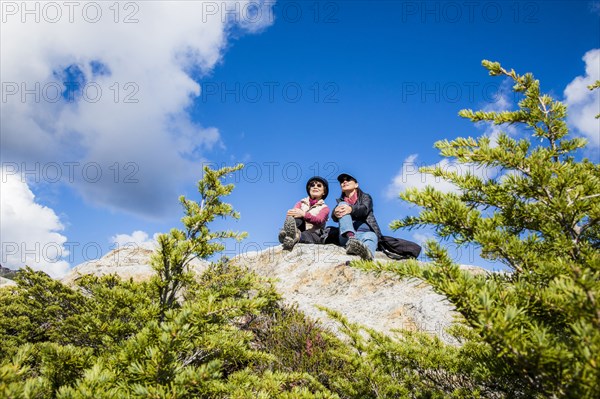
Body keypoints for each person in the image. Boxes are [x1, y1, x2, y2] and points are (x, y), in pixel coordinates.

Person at [331, 173, 381, 260]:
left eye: (348, 179)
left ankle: (367, 259)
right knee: (342, 204)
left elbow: (365, 209)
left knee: (372, 236)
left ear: (356, 185)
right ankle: (351, 239)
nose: (344, 181)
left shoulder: (366, 197)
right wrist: (335, 214)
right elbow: (334, 217)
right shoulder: (340, 202)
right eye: (342, 181)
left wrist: (351, 209)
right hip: (346, 237)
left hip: (364, 233)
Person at [279, 176, 330, 250]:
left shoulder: (325, 208)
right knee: (297, 218)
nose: (315, 187)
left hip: (314, 234)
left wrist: (304, 214)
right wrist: (290, 215)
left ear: (324, 192)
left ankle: (293, 238)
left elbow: (319, 220)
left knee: (306, 234)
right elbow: (294, 215)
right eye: (312, 185)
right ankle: (288, 234)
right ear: (309, 189)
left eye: (319, 185)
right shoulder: (300, 203)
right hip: (299, 229)